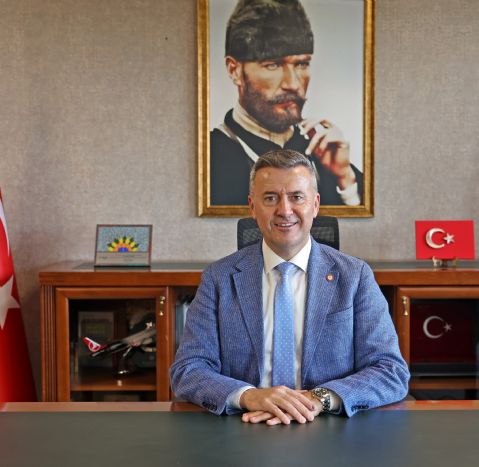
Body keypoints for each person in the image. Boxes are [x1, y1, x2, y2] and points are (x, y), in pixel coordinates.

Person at [171, 149, 409, 424]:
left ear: (315, 205)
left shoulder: (355, 277)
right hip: (244, 424)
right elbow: (188, 369)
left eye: (297, 197)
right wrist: (249, 396)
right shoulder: (219, 278)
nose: (284, 210)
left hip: (329, 425)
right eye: (270, 198)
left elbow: (390, 370)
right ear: (252, 207)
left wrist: (317, 398)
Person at [210, 0, 364, 207]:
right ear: (234, 70)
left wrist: (345, 179)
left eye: (301, 64)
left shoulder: (326, 156)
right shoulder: (210, 157)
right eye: (273, 65)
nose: (293, 84)